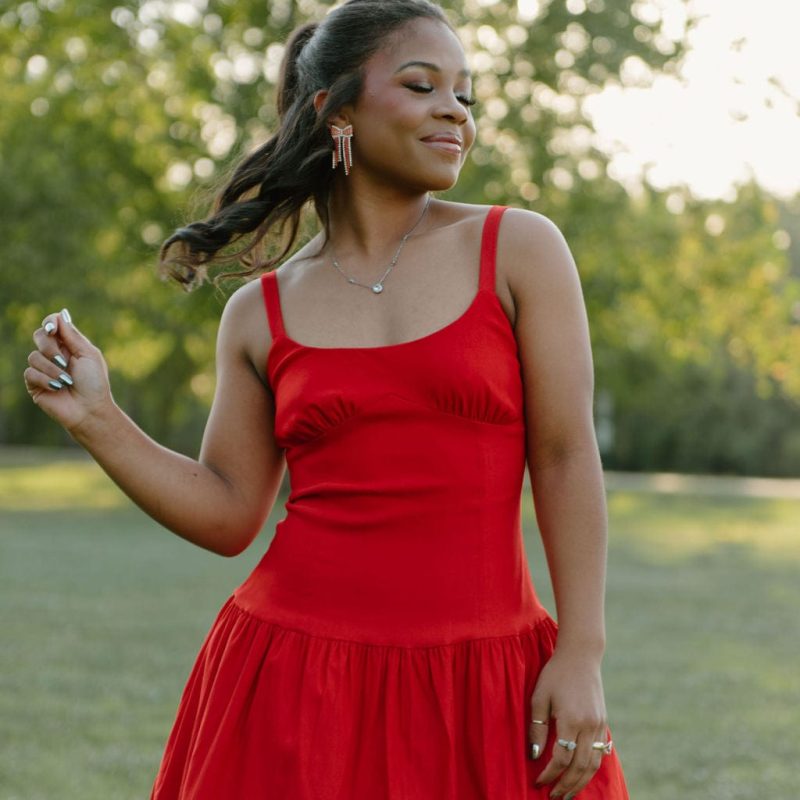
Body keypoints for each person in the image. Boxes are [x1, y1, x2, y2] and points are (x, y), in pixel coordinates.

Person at [23, 0, 629, 797]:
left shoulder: (519, 249)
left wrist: (580, 650)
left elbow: (563, 452)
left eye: (465, 94)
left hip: (486, 676)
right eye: (422, 85)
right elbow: (230, 513)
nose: (455, 109)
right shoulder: (259, 312)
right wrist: (99, 419)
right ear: (336, 111)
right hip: (295, 673)